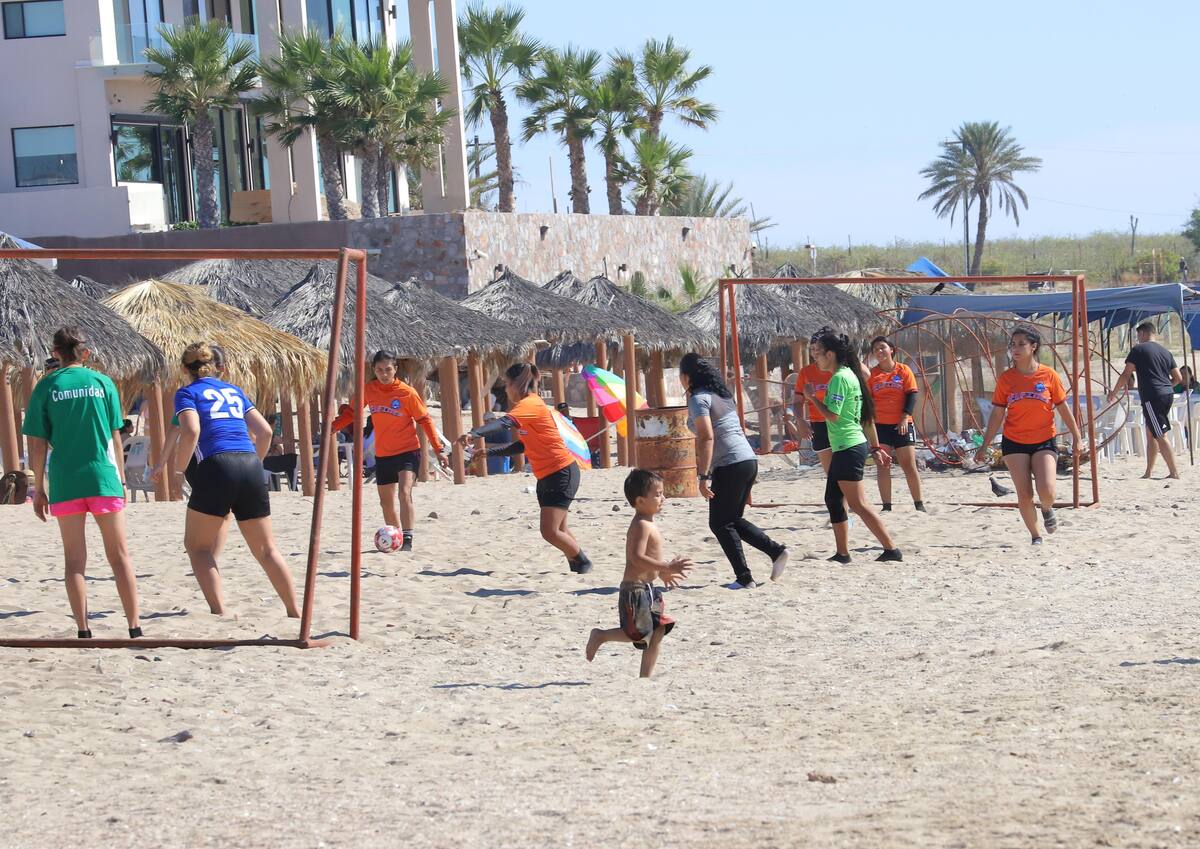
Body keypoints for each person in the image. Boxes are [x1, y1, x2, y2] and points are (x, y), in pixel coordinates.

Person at [22, 327, 142, 639]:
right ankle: (134, 627)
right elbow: (115, 435)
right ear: (85, 353)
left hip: (66, 481)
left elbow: (37, 443)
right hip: (103, 477)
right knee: (119, 557)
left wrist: (39, 490)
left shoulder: (46, 387)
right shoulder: (103, 383)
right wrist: (121, 480)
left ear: (55, 353)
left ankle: (83, 630)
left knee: (74, 562)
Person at [173, 342, 299, 617]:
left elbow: (191, 430)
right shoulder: (234, 391)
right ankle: (294, 610)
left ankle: (220, 611)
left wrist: (178, 470)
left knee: (198, 547)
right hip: (250, 463)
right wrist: (256, 462)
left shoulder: (187, 393)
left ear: (185, 369)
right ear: (217, 368)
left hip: (216, 465)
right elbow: (265, 432)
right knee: (266, 549)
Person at [458, 362, 594, 573]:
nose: (505, 389)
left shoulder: (531, 404)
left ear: (515, 384)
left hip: (561, 472)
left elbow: (503, 423)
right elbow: (523, 444)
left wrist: (475, 434)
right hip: (548, 475)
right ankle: (578, 567)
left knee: (549, 531)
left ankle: (583, 562)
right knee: (560, 529)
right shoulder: (527, 408)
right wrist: (490, 452)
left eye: (506, 384)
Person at [680, 352, 788, 588]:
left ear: (686, 376)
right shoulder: (723, 396)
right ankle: (775, 552)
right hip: (747, 460)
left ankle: (744, 577)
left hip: (730, 463)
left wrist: (703, 476)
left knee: (719, 523)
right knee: (730, 519)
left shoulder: (699, 399)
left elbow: (707, 438)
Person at [975, 327, 1085, 544]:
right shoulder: (1006, 379)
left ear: (1033, 346)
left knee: (1047, 492)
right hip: (1014, 441)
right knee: (1024, 494)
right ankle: (1036, 536)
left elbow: (1063, 407)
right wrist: (985, 444)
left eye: (1021, 344)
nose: (1015, 349)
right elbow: (997, 413)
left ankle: (1046, 508)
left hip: (1044, 439)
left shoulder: (1049, 375)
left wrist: (1077, 436)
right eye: (1013, 344)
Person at [803, 330, 902, 563]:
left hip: (848, 446)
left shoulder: (839, 377)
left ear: (830, 353)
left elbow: (834, 415)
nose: (815, 358)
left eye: (818, 353)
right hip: (846, 446)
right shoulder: (849, 374)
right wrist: (876, 448)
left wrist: (813, 398)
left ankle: (891, 549)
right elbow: (865, 418)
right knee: (833, 499)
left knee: (858, 503)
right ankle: (842, 553)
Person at [331, 350, 446, 552]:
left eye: (388, 370)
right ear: (374, 370)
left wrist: (438, 449)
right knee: (386, 503)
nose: (384, 374)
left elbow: (425, 421)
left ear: (396, 369)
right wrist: (333, 427)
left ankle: (408, 539)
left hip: (408, 451)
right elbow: (352, 412)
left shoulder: (407, 393)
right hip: (383, 454)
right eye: (379, 370)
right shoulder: (369, 389)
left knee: (404, 493)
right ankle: (396, 536)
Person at [585, 469, 692, 678]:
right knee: (638, 634)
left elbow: (650, 557)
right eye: (658, 494)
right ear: (641, 501)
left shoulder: (650, 522)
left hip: (649, 588)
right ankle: (601, 635)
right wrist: (667, 567)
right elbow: (636, 558)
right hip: (634, 589)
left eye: (662, 493)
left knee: (658, 630)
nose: (663, 498)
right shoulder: (641, 525)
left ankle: (645, 677)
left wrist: (662, 575)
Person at [1107, 321, 1183, 479]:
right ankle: (1148, 471)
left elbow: (1126, 374)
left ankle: (1174, 472)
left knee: (1160, 434)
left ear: (1142, 333)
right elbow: (1178, 378)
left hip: (1152, 396)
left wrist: (1113, 392)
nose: (1137, 338)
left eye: (1138, 335)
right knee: (1151, 432)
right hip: (1167, 394)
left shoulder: (1138, 350)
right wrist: (1165, 386)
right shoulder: (1165, 351)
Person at [867, 336, 926, 512]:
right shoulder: (872, 375)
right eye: (876, 349)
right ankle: (886, 506)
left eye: (882, 347)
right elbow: (868, 402)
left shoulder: (903, 370)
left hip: (902, 423)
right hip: (880, 426)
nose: (879, 351)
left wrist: (904, 417)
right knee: (883, 465)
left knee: (908, 464)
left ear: (891, 349)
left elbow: (912, 395)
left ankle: (919, 504)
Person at [792, 339, 834, 472]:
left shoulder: (839, 370)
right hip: (819, 424)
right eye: (812, 349)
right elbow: (798, 401)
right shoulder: (806, 372)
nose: (815, 353)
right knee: (830, 472)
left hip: (839, 422)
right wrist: (801, 421)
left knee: (845, 471)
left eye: (818, 349)